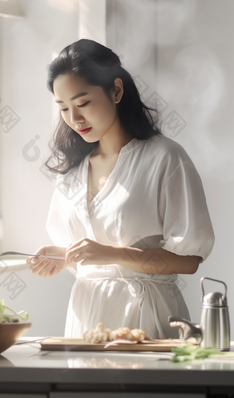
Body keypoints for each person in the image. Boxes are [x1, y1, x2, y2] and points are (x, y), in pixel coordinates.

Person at [26, 39, 215, 339]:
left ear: (116, 90)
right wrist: (64, 254)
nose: (74, 119)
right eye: (63, 108)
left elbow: (189, 261)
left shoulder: (164, 158)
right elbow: (97, 252)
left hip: (146, 317)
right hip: (86, 318)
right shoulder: (73, 172)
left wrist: (111, 253)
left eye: (83, 103)